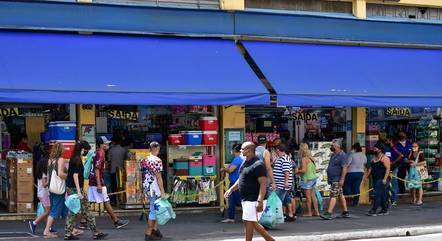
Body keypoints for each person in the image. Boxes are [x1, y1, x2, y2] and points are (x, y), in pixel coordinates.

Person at [224, 142, 274, 241]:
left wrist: (259, 201)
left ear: (250, 150)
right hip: (246, 199)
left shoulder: (258, 164)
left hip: (254, 199)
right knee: (251, 222)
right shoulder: (245, 162)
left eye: (243, 149)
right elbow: (241, 178)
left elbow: (263, 183)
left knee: (249, 221)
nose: (241, 151)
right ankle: (270, 239)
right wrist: (231, 189)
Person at [64, 141, 107, 240]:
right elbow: (75, 175)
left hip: (73, 188)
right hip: (76, 189)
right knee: (83, 210)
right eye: (86, 150)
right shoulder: (77, 159)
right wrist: (79, 191)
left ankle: (69, 234)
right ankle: (95, 232)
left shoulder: (74, 158)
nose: (86, 152)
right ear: (82, 149)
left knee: (76, 211)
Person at [88, 136, 129, 229]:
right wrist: (99, 184)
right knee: (106, 201)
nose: (107, 145)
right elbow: (97, 169)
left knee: (90, 202)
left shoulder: (97, 153)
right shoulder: (101, 153)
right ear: (101, 145)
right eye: (105, 143)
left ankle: (83, 222)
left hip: (93, 180)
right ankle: (116, 221)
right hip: (97, 182)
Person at [141, 142, 166, 241]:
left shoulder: (144, 160)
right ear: (157, 149)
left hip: (147, 187)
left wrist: (142, 191)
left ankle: (155, 230)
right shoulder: (157, 161)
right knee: (154, 210)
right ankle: (148, 233)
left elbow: (142, 176)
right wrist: (162, 191)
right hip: (155, 188)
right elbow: (159, 177)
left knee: (155, 209)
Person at [320, 139, 350, 220]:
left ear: (338, 146)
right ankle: (345, 211)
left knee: (333, 195)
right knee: (340, 194)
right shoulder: (333, 155)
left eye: (333, 145)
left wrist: (342, 179)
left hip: (337, 179)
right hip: (333, 178)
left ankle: (329, 212)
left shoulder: (342, 155)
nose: (331, 147)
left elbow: (344, 168)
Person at [43, 142, 67, 238]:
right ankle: (46, 231)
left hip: (51, 187)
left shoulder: (50, 160)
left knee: (64, 210)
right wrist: (68, 176)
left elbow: (49, 175)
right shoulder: (61, 160)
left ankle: (71, 228)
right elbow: (60, 174)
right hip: (58, 188)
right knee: (54, 211)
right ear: (61, 150)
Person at [220, 144, 244, 223]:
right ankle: (231, 218)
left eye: (232, 149)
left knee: (239, 201)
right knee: (231, 201)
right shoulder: (238, 159)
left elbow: (231, 170)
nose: (232, 151)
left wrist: (223, 170)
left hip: (236, 184)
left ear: (234, 150)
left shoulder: (237, 159)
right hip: (233, 183)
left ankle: (248, 218)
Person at [366, 141, 391, 216]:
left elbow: (388, 169)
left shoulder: (384, 158)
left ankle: (374, 210)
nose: (374, 149)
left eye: (375, 148)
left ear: (380, 149)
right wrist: (366, 176)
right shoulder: (374, 158)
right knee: (382, 195)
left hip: (382, 179)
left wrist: (385, 179)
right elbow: (371, 167)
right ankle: (384, 209)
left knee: (377, 194)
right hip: (375, 178)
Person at [29, 157, 52, 234]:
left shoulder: (41, 173)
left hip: (41, 194)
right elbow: (44, 184)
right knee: (47, 211)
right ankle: (34, 223)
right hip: (44, 194)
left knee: (46, 211)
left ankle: (48, 227)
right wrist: (50, 180)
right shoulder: (44, 174)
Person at [273, 143, 295, 222]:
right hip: (282, 183)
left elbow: (286, 172)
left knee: (278, 201)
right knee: (287, 199)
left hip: (282, 184)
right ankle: (290, 214)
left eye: (276, 150)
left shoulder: (284, 159)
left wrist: (286, 182)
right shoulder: (282, 158)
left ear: (278, 150)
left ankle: (277, 216)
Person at [297, 143, 319, 217]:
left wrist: (297, 171)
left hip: (307, 180)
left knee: (308, 197)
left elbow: (304, 170)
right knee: (313, 196)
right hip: (313, 179)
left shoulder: (304, 159)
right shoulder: (311, 158)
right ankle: (316, 212)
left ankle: (309, 212)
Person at [108, 136, 128, 206]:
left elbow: (109, 161)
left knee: (114, 187)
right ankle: (121, 200)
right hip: (122, 171)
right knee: (121, 186)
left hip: (113, 170)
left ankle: (114, 201)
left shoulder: (111, 150)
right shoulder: (124, 150)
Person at [384, 137, 403, 206]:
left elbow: (401, 155)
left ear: (390, 141)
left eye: (387, 140)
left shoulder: (393, 148)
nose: (385, 142)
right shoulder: (387, 148)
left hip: (393, 168)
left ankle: (393, 200)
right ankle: (389, 199)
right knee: (389, 183)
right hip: (389, 167)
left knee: (393, 183)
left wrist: (393, 162)